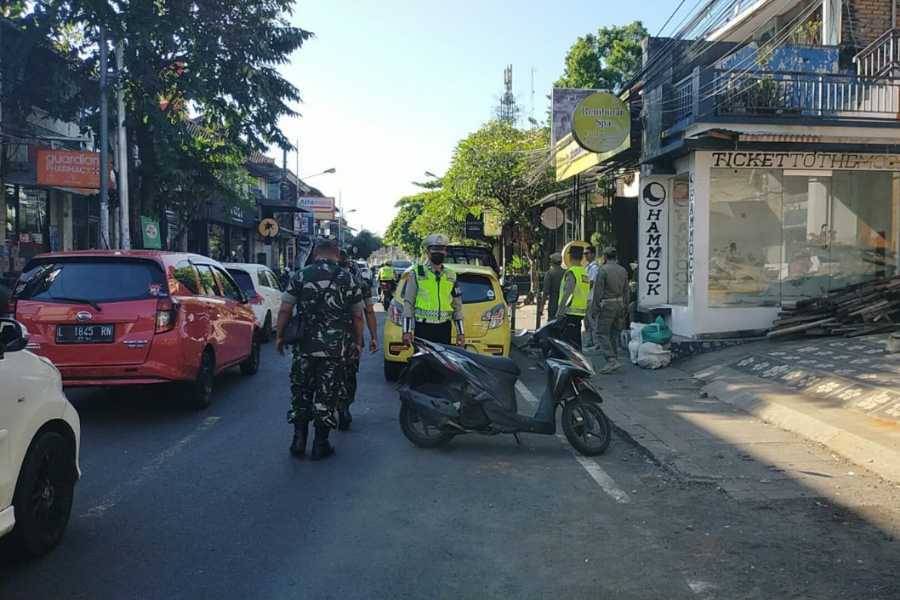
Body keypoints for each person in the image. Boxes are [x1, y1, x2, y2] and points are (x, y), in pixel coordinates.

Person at [275, 239, 364, 461]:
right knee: (327, 394)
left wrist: (279, 336)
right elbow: (358, 315)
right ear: (337, 255)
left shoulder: (301, 275)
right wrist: (358, 342)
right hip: (335, 350)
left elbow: (285, 309)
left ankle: (298, 440)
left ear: (316, 254)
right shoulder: (348, 278)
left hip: (304, 347)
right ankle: (320, 444)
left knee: (301, 391)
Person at [338, 249, 378, 431]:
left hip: (319, 339)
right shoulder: (360, 283)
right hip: (352, 337)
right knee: (348, 374)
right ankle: (344, 407)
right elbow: (368, 311)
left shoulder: (314, 278)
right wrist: (373, 337)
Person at [401, 233, 465, 347]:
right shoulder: (417, 273)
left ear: (445, 252)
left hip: (444, 329)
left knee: (443, 364)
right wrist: (406, 331)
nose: (438, 253)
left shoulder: (451, 275)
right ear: (428, 252)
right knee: (423, 363)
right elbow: (408, 303)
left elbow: (457, 306)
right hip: (423, 328)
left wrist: (461, 333)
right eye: (435, 249)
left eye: (441, 250)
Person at [586, 246, 630, 373]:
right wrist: (626, 306)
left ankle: (611, 360)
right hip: (620, 304)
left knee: (602, 332)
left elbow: (598, 292)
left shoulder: (603, 270)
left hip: (607, 305)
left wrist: (594, 309)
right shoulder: (623, 270)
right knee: (614, 333)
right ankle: (614, 358)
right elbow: (626, 290)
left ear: (605, 257)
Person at [555, 245, 590, 350]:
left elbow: (567, 293)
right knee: (576, 342)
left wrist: (560, 311)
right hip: (580, 313)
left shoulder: (572, 272)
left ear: (569, 257)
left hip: (569, 312)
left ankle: (572, 364)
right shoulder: (584, 272)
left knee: (568, 345)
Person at [583, 246, 600, 350]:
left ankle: (597, 343)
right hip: (585, 298)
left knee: (593, 322)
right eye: (584, 254)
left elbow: (591, 283)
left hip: (591, 298)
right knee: (586, 322)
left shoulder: (594, 268)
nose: (585, 255)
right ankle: (589, 341)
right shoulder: (587, 267)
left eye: (587, 253)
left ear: (593, 254)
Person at [541, 253, 564, 320]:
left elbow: (545, 291)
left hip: (553, 303)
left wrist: (542, 306)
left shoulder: (549, 273)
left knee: (552, 325)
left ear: (551, 262)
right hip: (564, 304)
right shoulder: (566, 272)